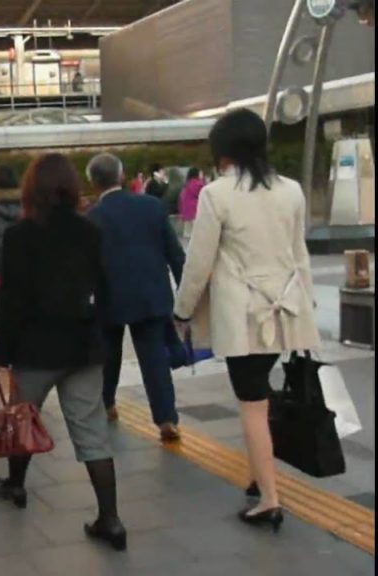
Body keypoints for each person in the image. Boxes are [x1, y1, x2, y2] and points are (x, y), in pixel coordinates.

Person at [174, 109, 320, 531]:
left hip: (242, 316)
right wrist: (306, 305)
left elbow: (198, 263)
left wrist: (182, 309)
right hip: (285, 309)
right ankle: (258, 476)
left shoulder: (217, 194)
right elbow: (299, 254)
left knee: (252, 404)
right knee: (259, 397)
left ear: (223, 149)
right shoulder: (291, 191)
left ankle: (269, 500)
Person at [0, 153, 127, 552]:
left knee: (22, 418)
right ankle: (111, 519)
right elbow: (105, 288)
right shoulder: (91, 231)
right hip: (83, 347)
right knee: (92, 434)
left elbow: (12, 302)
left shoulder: (19, 236)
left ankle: (16, 485)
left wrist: (1, 352)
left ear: (31, 189)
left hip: (35, 349)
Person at [87, 153, 185, 441]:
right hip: (151, 295)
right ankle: (166, 419)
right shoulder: (152, 206)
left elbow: (86, 266)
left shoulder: (92, 218)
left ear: (93, 183)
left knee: (108, 355)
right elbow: (175, 254)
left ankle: (107, 403)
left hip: (110, 297)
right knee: (154, 359)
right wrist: (185, 296)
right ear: (121, 176)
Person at [179, 167, 206, 240]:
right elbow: (203, 195)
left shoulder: (187, 184)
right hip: (195, 210)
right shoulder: (198, 184)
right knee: (197, 234)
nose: (202, 174)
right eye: (200, 173)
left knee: (187, 234)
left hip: (186, 211)